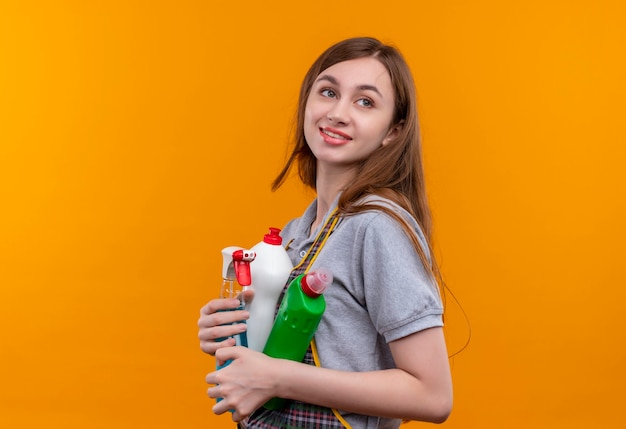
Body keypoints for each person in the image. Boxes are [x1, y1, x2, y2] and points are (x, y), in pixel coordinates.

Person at [198, 36, 453, 429]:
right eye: (328, 92)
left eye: (365, 101)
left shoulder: (376, 225)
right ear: (307, 103)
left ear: (393, 131)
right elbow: (276, 361)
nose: (337, 113)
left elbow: (433, 396)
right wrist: (235, 335)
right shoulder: (297, 233)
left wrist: (278, 377)